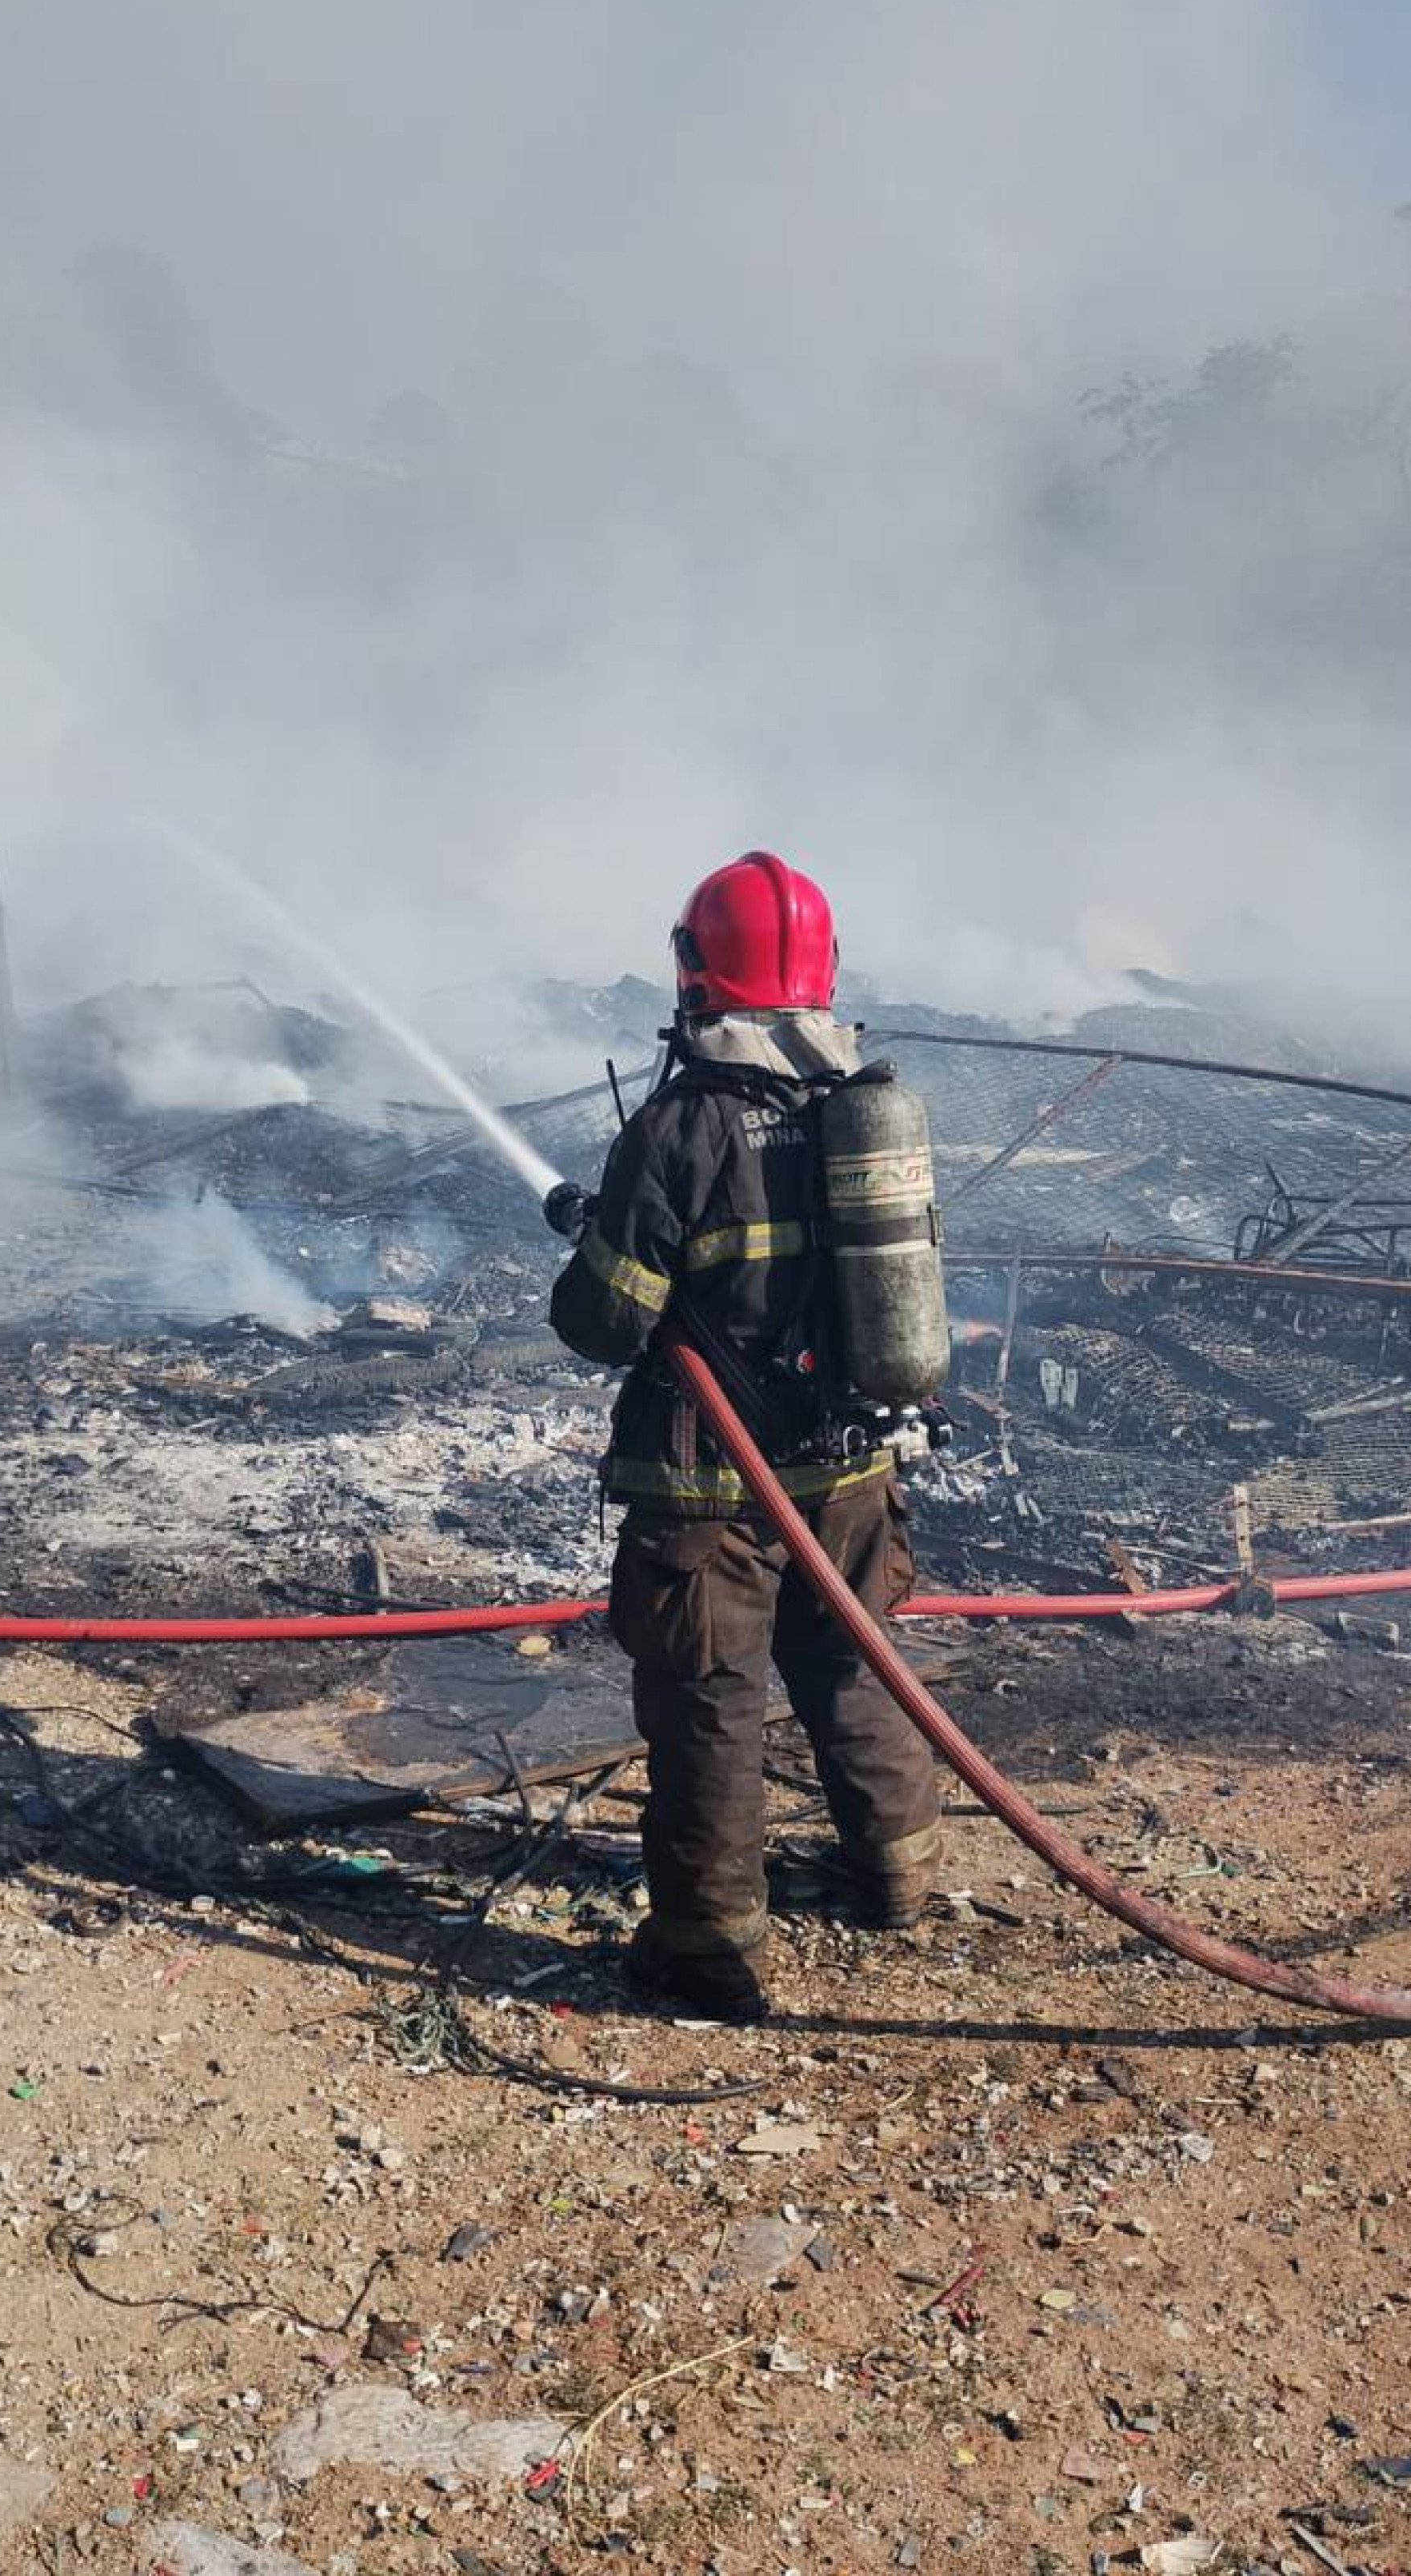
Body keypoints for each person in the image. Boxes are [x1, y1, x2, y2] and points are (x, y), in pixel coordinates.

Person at [546, 850, 941, 2024]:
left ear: (697, 973)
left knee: (709, 1697)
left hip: (715, 1485)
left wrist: (595, 1249)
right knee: (854, 1662)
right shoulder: (870, 1108)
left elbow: (604, 1322)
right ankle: (897, 1873)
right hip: (858, 1467)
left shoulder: (683, 1129)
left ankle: (707, 1946)